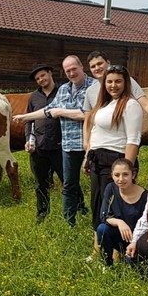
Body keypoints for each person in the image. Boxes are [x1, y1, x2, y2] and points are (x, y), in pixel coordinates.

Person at [13, 55, 94, 226]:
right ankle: (60, 220)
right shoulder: (47, 94)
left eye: (74, 69)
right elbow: (44, 112)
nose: (41, 79)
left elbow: (89, 114)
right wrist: (25, 120)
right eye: (68, 70)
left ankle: (88, 213)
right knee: (59, 184)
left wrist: (60, 112)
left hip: (76, 144)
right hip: (53, 145)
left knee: (84, 183)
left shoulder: (91, 87)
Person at [83, 64, 142, 233]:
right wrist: (87, 158)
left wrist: (126, 170)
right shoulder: (104, 105)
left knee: (113, 206)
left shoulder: (130, 105)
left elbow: (133, 140)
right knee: (98, 204)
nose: (113, 85)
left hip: (115, 160)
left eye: (118, 81)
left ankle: (119, 243)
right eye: (109, 82)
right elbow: (95, 132)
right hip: (97, 159)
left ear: (125, 83)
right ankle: (99, 242)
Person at [23, 63, 63, 222]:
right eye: (37, 78)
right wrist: (28, 139)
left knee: (67, 182)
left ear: (50, 73)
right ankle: (42, 213)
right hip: (39, 147)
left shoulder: (63, 92)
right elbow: (29, 120)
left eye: (43, 75)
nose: (41, 79)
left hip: (60, 147)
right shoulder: (34, 97)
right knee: (40, 184)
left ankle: (76, 210)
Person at [95, 158, 147, 266]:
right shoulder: (111, 188)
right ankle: (107, 264)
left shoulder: (146, 196)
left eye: (125, 174)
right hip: (120, 236)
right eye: (117, 175)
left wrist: (134, 242)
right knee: (102, 229)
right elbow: (104, 216)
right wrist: (120, 222)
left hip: (138, 239)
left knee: (133, 265)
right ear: (112, 175)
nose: (121, 179)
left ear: (133, 175)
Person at [83, 50, 148, 120]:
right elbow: (88, 119)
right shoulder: (90, 91)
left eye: (100, 63)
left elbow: (145, 103)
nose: (97, 68)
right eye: (93, 66)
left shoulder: (127, 81)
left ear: (108, 63)